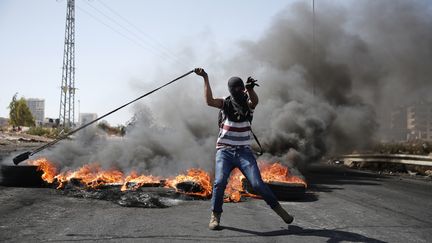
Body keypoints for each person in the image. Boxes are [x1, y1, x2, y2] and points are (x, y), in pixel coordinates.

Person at [194, 68, 294, 230]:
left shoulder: (248, 105)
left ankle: (280, 211)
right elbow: (209, 101)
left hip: (243, 152)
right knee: (219, 183)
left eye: (240, 88)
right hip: (224, 152)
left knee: (258, 184)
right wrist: (205, 77)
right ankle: (215, 215)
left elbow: (254, 101)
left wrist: (251, 89)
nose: (238, 91)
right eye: (235, 88)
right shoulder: (225, 103)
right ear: (230, 90)